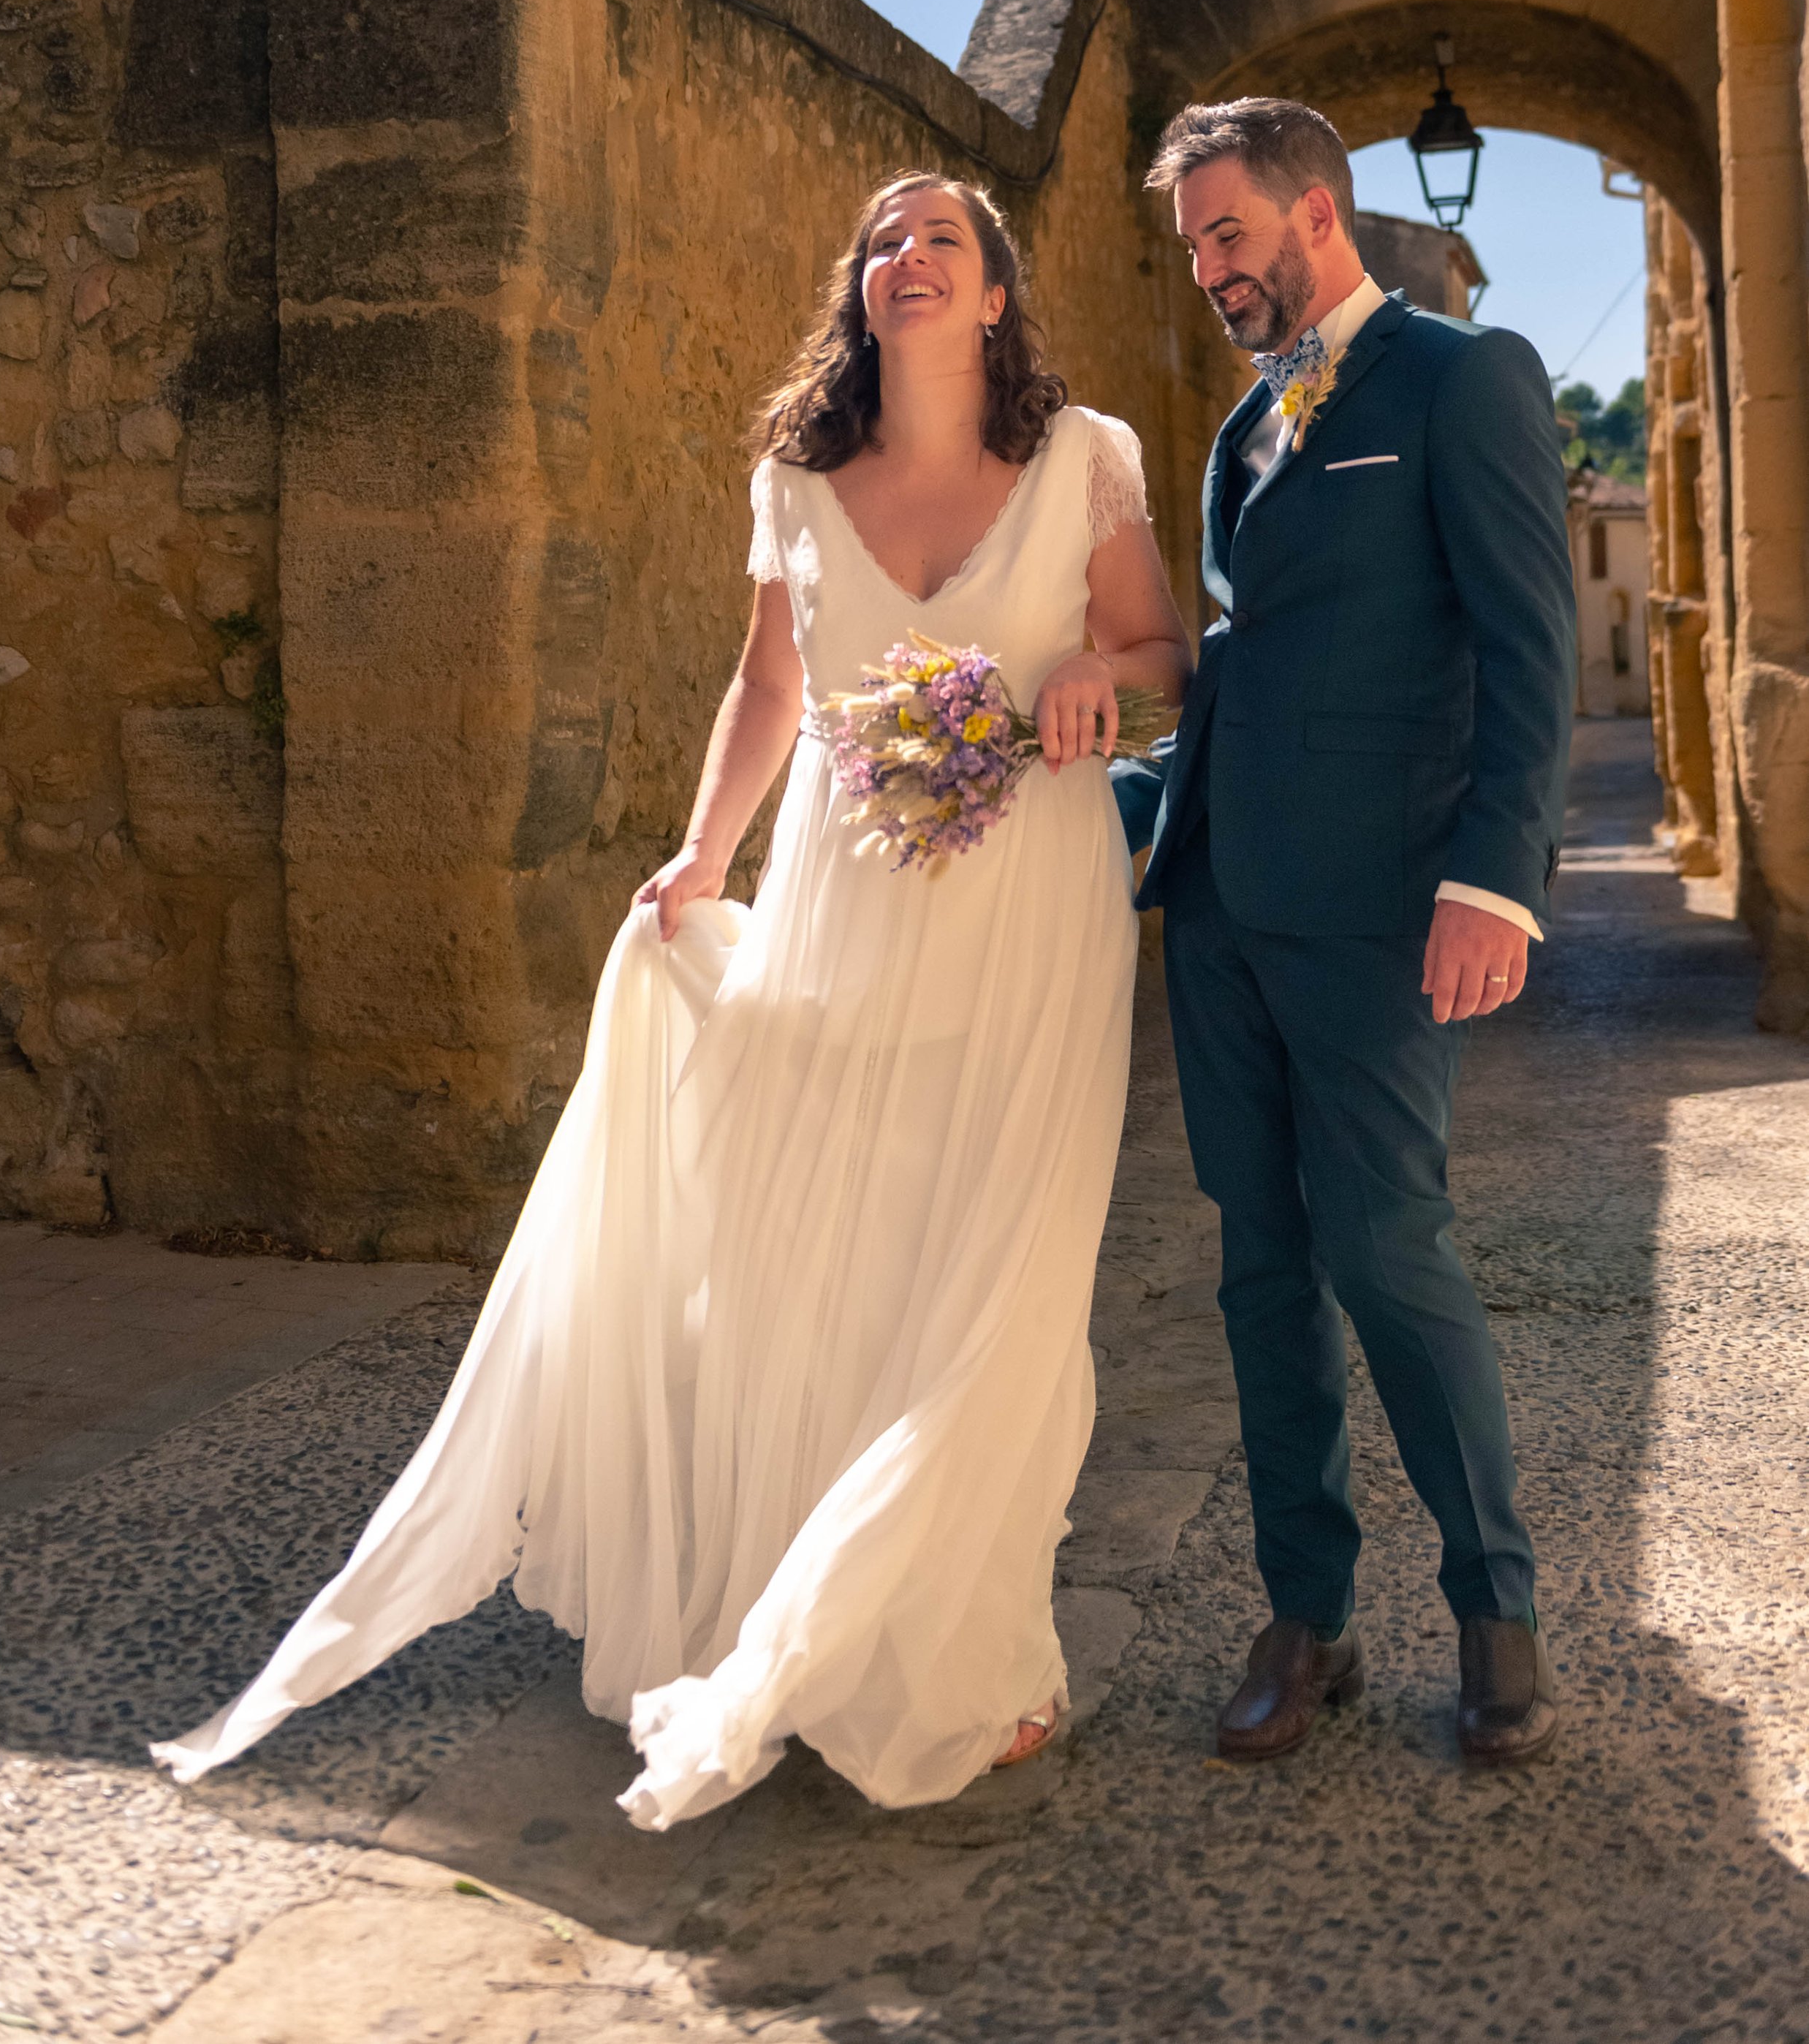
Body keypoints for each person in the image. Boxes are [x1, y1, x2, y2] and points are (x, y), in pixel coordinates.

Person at [153, 171, 1188, 1823]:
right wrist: (701, 857)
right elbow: (773, 682)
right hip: (845, 895)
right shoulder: (793, 478)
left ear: (994, 295)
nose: (905, 256)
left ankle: (962, 1651)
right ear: (859, 293)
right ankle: (809, 1628)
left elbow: (1161, 652)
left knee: (999, 1271)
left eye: (942, 239)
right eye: (878, 240)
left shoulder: (1086, 460)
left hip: (1029, 914)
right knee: (845, 1261)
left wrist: (1087, 674)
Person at [1115, 96, 1574, 1768]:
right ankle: (1305, 1614)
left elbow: (1530, 649)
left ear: (1317, 213)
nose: (1209, 273)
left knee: (1387, 1245)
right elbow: (1246, 672)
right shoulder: (1245, 431)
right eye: (1192, 252)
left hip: (1382, 911)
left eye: (1226, 236)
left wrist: (1496, 878)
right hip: (1223, 911)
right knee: (1259, 1266)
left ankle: (1493, 1609)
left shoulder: (1463, 379)